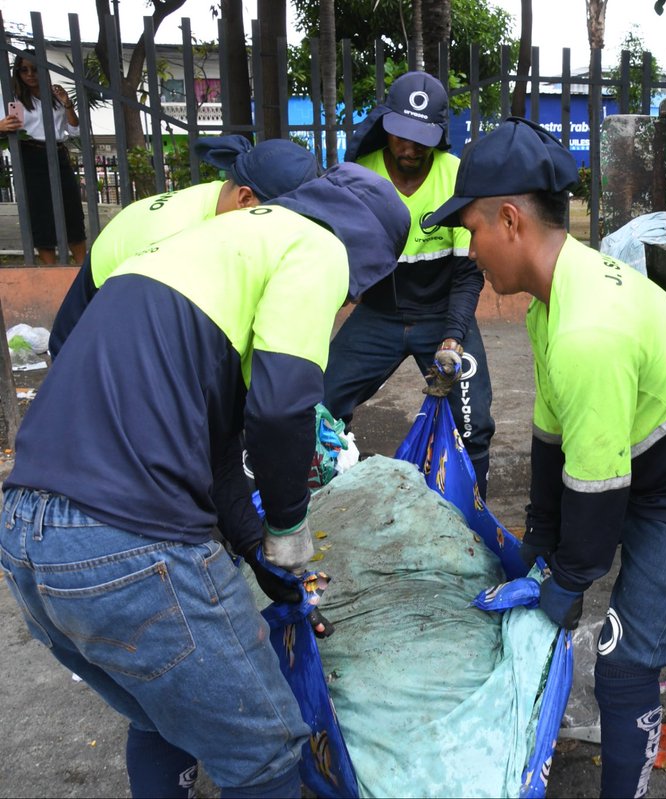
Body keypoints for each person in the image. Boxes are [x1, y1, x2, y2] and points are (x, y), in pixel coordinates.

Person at [0, 162, 409, 799]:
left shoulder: (202, 246)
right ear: (362, 256)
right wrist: (289, 535)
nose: (343, 307)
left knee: (163, 715)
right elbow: (282, 411)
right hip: (131, 543)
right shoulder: (317, 245)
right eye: (353, 296)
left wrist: (261, 559)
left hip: (28, 539)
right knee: (265, 752)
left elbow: (218, 458)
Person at [426, 118, 666, 798]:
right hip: (649, 463)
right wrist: (539, 548)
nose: (472, 251)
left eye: (472, 231)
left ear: (511, 220)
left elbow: (599, 491)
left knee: (624, 659)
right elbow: (554, 446)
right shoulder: (552, 304)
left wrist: (567, 580)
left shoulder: (586, 330)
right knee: (578, 592)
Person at [323, 70, 495, 497]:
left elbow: (468, 272)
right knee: (319, 407)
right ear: (386, 125)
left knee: (473, 425)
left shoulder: (456, 178)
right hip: (378, 315)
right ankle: (324, 501)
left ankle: (473, 526)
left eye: (422, 137)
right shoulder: (359, 174)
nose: (410, 146)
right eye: (401, 133)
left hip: (441, 317)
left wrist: (454, 337)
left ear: (439, 135)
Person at [50, 134, 320, 358]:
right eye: (283, 219)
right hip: (88, 345)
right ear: (245, 198)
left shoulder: (218, 202)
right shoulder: (176, 235)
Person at [0, 52, 87, 264]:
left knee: (71, 210)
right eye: (24, 70)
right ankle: (52, 269)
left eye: (35, 69)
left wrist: (67, 105)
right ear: (17, 72)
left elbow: (75, 132)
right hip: (29, 155)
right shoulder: (13, 98)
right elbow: (8, 128)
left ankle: (82, 268)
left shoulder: (55, 97)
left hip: (57, 154)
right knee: (39, 212)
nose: (30, 74)